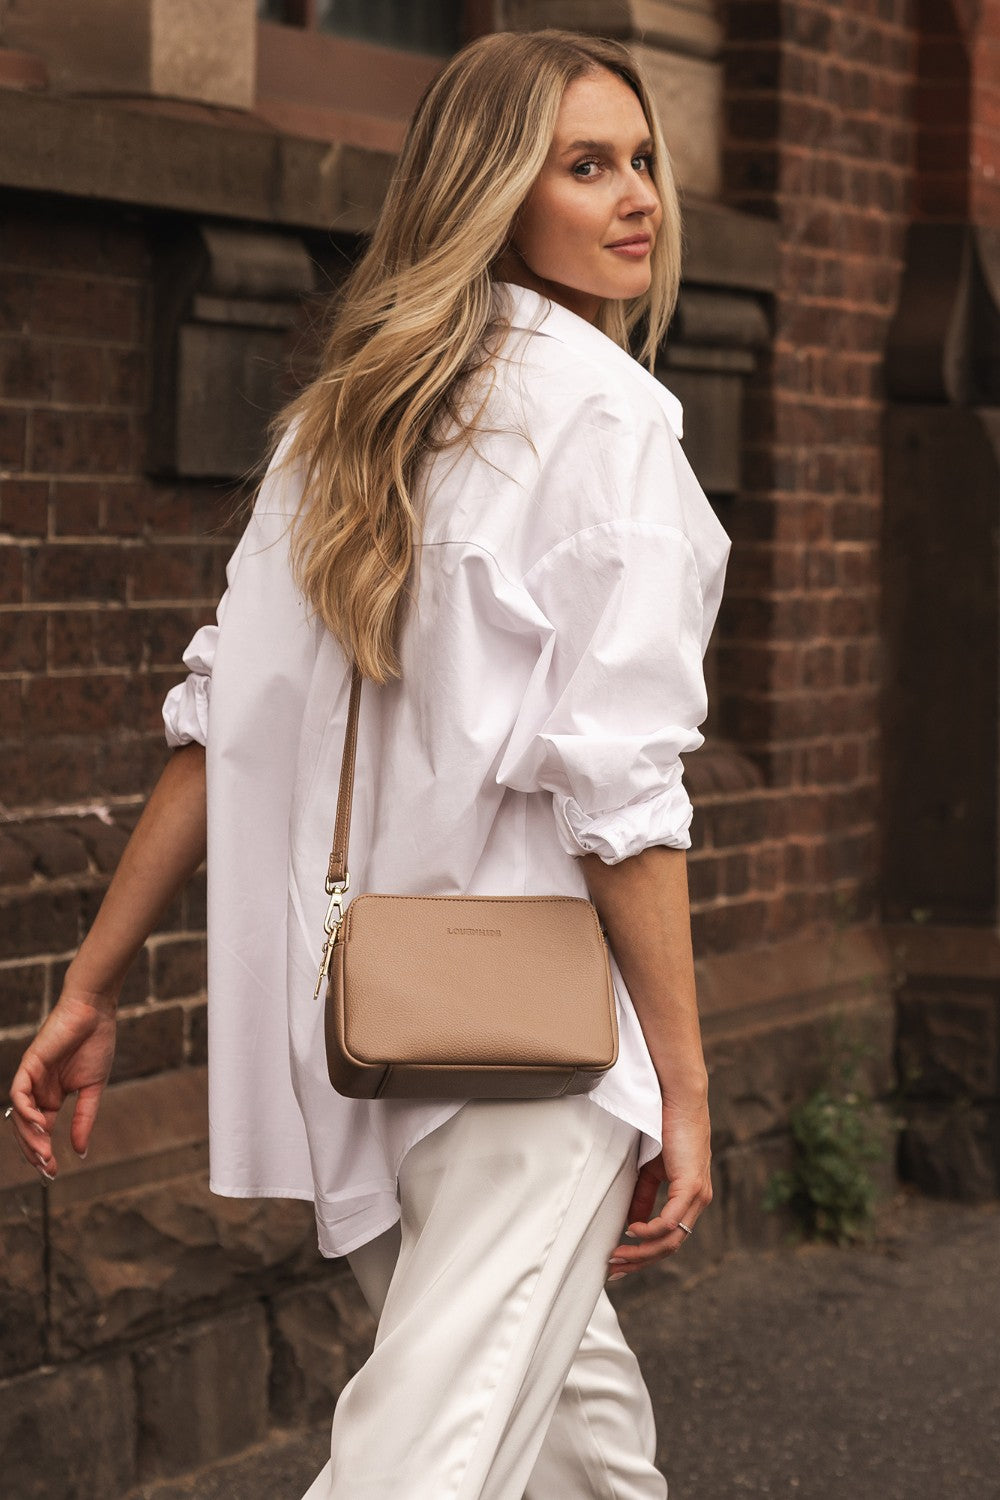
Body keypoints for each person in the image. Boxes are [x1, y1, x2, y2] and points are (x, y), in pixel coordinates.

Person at [5, 28, 730, 1500]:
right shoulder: (612, 422)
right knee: (428, 1467)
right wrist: (690, 1084)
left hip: (369, 1028)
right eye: (583, 165)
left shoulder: (339, 426)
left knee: (586, 1455)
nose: (635, 196)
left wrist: (93, 986)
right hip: (535, 1045)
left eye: (641, 158)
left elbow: (225, 724)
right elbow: (621, 796)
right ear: (492, 190)